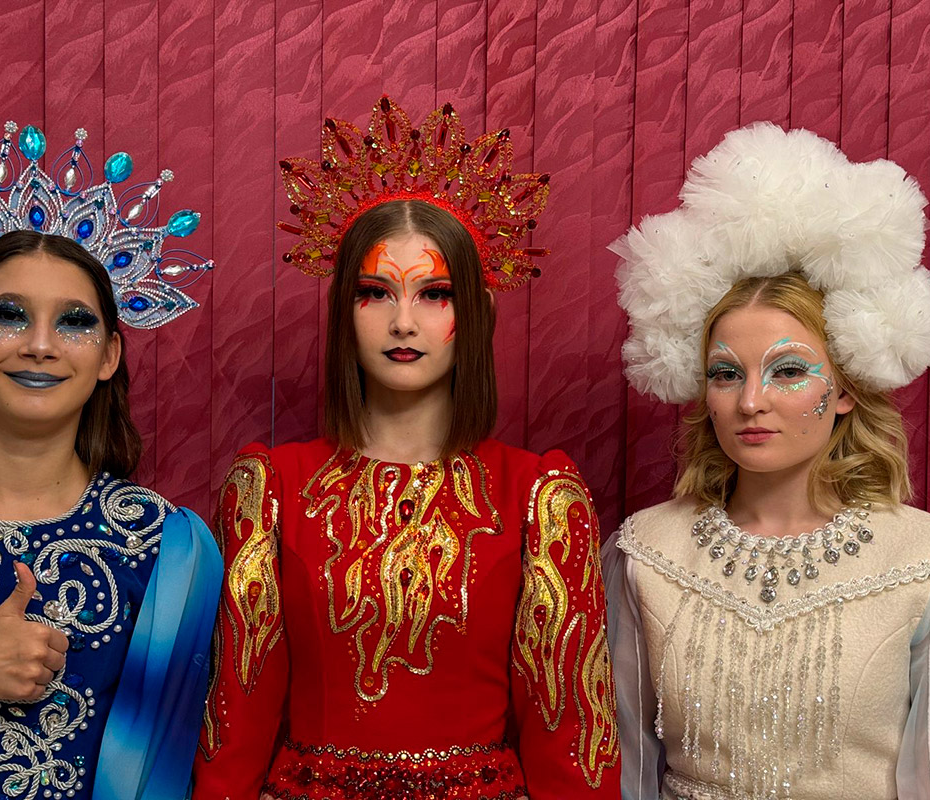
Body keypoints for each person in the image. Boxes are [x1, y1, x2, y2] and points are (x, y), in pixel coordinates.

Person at [193, 97, 620, 800]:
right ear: (344, 312)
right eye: (375, 293)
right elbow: (235, 720)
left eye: (434, 294)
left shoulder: (536, 497)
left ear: (476, 312)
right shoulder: (272, 486)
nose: (402, 322)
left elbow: (570, 736)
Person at [603, 123, 930, 800]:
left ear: (846, 388)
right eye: (725, 374)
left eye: (788, 371)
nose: (750, 402)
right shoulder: (645, 553)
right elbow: (625, 769)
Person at [0, 125, 221, 800]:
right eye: (8, 315)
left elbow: (173, 768)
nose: (41, 345)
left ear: (109, 354)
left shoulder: (162, 545)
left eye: (74, 322)